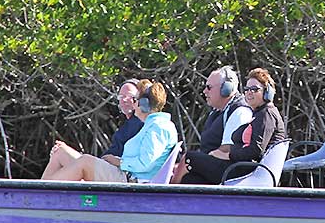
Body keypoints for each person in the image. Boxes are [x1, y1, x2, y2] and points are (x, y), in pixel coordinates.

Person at [41, 79, 177, 182]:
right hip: (124, 173)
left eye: (135, 100)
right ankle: (36, 198)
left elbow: (144, 164)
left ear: (144, 105)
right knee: (60, 152)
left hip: (130, 180)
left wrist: (118, 161)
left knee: (85, 162)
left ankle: (40, 197)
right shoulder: (152, 125)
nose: (133, 104)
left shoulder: (158, 128)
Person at [177, 68, 287, 184]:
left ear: (267, 92)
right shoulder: (258, 114)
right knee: (190, 180)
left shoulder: (267, 114)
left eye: (255, 89)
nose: (249, 92)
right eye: (247, 89)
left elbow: (255, 151)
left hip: (247, 171)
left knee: (190, 158)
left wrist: (227, 155)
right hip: (241, 166)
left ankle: (165, 194)